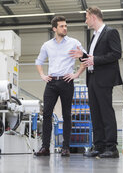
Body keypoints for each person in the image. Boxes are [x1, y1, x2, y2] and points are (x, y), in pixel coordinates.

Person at [69, 7, 123, 158]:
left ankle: (111, 148)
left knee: (106, 113)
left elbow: (116, 53)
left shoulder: (110, 32)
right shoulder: (94, 36)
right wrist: (83, 55)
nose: (85, 21)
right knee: (95, 114)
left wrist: (95, 59)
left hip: (104, 79)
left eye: (86, 17)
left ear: (93, 17)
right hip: (92, 78)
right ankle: (99, 146)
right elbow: (92, 58)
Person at [34, 16, 85, 157]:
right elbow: (38, 61)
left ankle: (65, 147)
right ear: (54, 29)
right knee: (47, 114)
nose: (65, 28)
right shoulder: (47, 45)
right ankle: (45, 147)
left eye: (66, 26)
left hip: (67, 81)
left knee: (67, 114)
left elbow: (85, 58)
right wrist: (42, 75)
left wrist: (77, 74)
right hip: (51, 82)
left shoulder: (74, 42)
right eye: (62, 26)